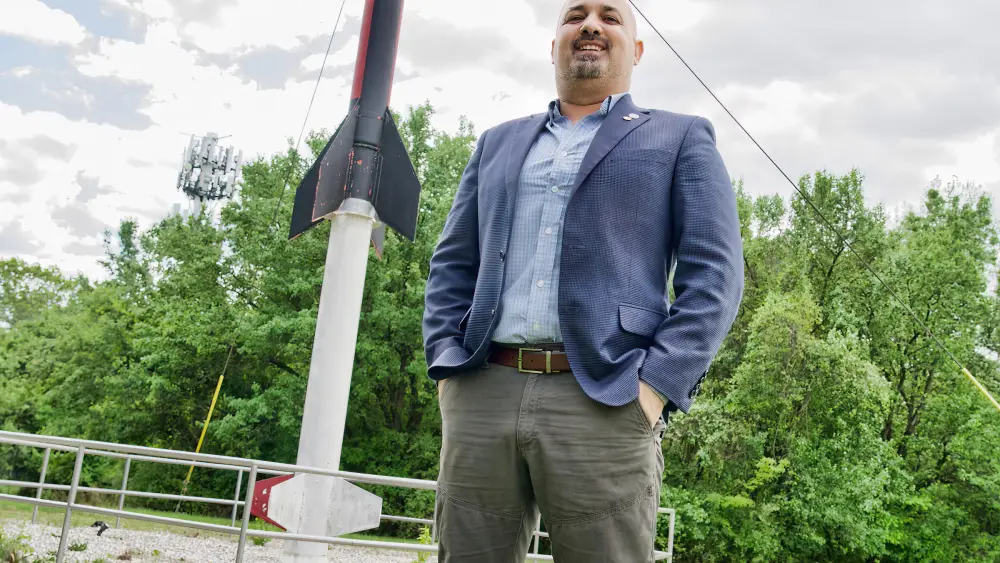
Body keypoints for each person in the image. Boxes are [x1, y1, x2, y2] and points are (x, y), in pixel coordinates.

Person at [422, 0, 744, 560]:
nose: (591, 25)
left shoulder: (680, 137)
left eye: (610, 17)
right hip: (482, 389)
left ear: (636, 50)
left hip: (606, 397)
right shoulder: (496, 142)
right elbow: (453, 262)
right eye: (575, 16)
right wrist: (446, 364)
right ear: (555, 45)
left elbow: (716, 275)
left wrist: (655, 387)